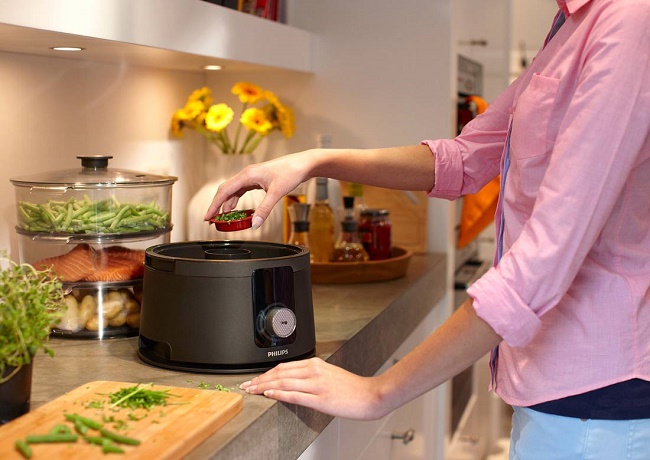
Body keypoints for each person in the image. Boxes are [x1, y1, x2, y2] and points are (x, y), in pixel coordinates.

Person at [205, 0, 650, 457]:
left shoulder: (629, 19)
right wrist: (315, 162)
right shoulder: (570, 24)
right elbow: (466, 156)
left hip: (598, 409)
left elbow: (540, 265)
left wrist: (377, 392)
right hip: (553, 394)